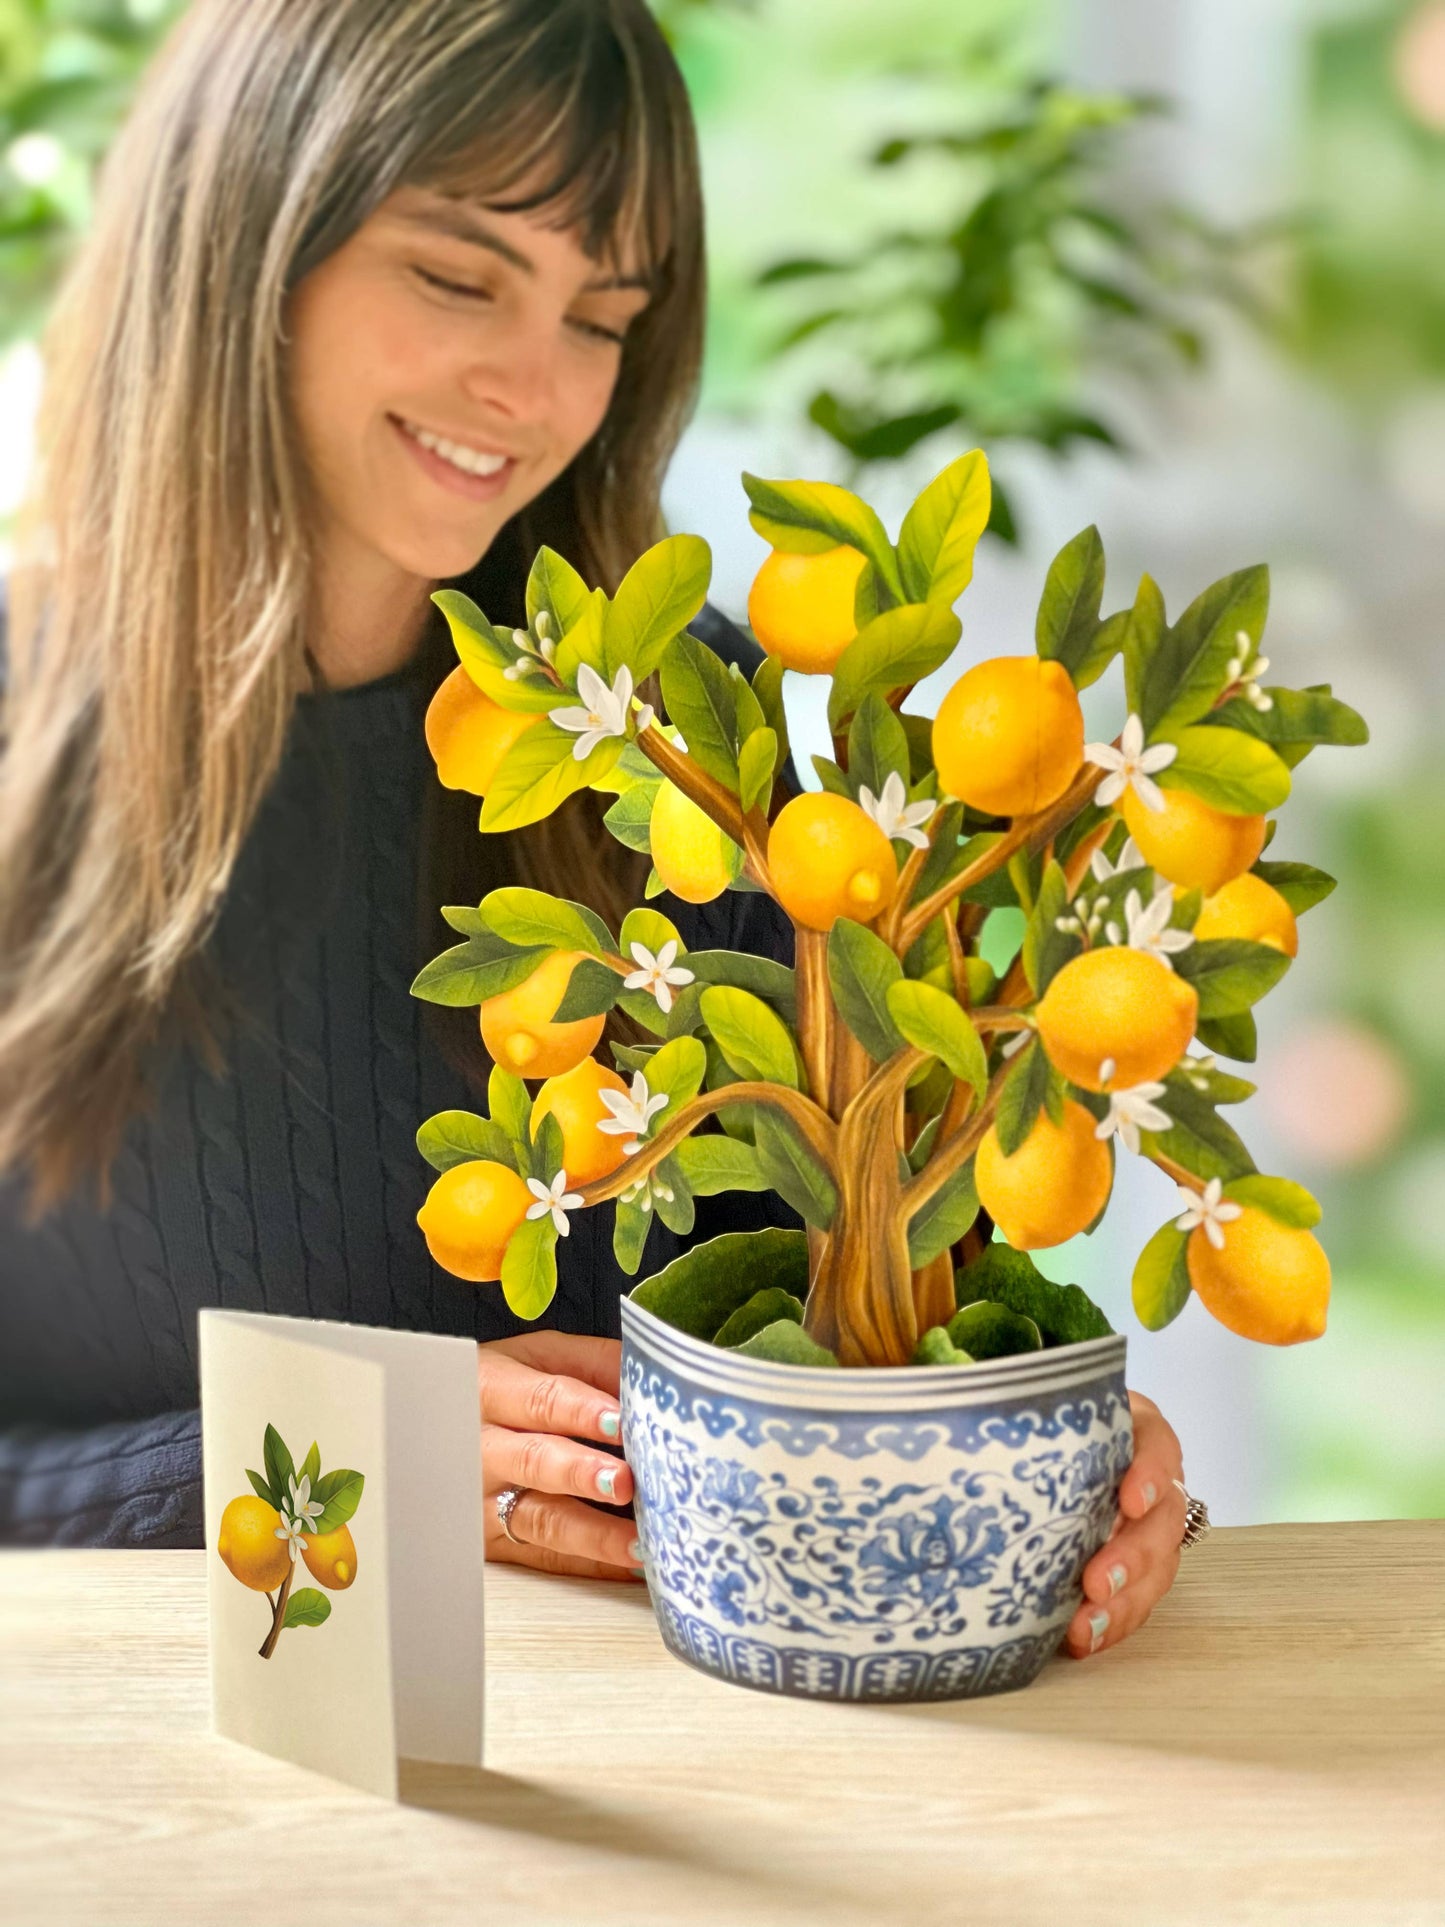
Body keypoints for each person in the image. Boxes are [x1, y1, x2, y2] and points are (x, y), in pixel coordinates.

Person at [0, 0, 1189, 1660]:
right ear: (244, 244)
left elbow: (830, 1319)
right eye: (458, 275)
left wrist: (1028, 1441)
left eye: (603, 314)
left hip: (671, 1808)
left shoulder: (677, 747)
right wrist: (297, 1463)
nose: (536, 384)